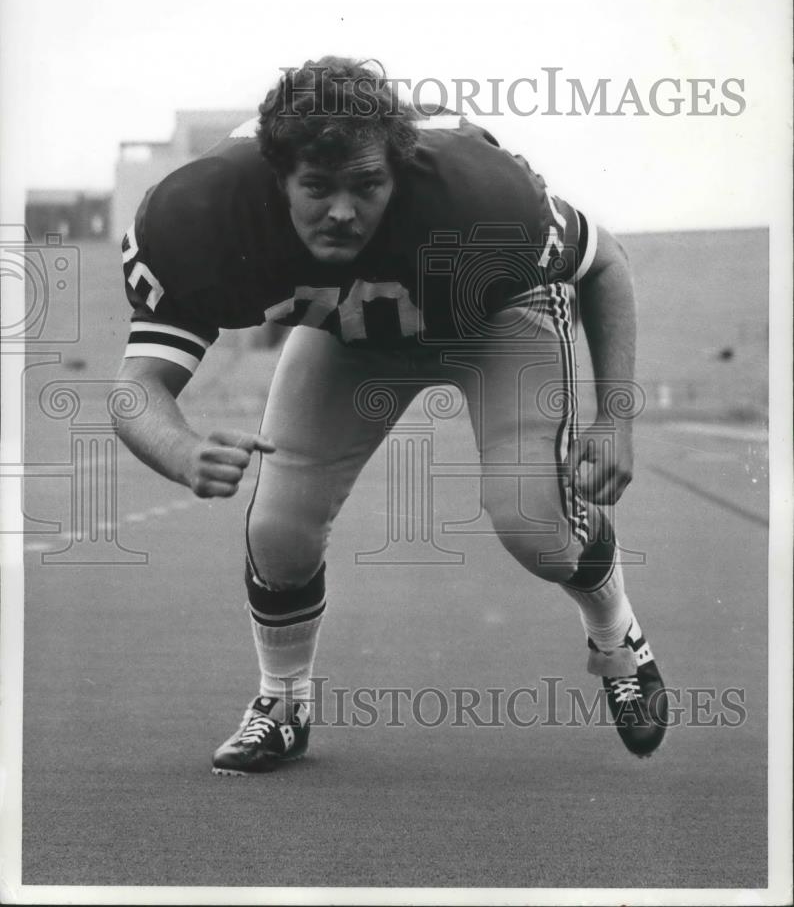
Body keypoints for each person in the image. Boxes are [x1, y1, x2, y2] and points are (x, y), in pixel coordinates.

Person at [115, 56, 668, 775]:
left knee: (533, 526)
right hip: (350, 330)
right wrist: (181, 450)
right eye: (316, 187)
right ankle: (282, 704)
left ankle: (617, 636)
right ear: (275, 175)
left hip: (492, 315)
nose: (341, 211)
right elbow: (136, 390)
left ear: (399, 172)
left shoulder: (479, 198)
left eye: (367, 185)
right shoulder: (202, 215)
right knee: (279, 528)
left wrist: (615, 418)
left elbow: (606, 262)